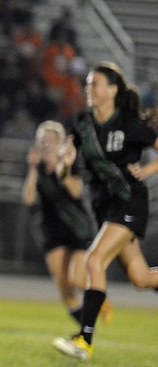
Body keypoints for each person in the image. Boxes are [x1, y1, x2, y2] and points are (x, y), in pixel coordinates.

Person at [53, 62, 158, 361]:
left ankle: (84, 341)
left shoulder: (128, 123)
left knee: (94, 259)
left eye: (95, 83)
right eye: (88, 83)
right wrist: (64, 160)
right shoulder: (83, 123)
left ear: (113, 90)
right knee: (140, 278)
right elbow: (67, 177)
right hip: (104, 208)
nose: (89, 88)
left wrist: (147, 169)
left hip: (128, 204)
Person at [22, 120, 112, 325]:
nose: (45, 143)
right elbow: (28, 199)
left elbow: (76, 191)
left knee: (78, 280)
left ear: (59, 142)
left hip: (77, 229)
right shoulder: (38, 167)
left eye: (50, 140)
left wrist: (62, 166)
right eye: (42, 139)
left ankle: (101, 298)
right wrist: (33, 169)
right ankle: (84, 328)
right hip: (52, 231)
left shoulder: (71, 162)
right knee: (63, 287)